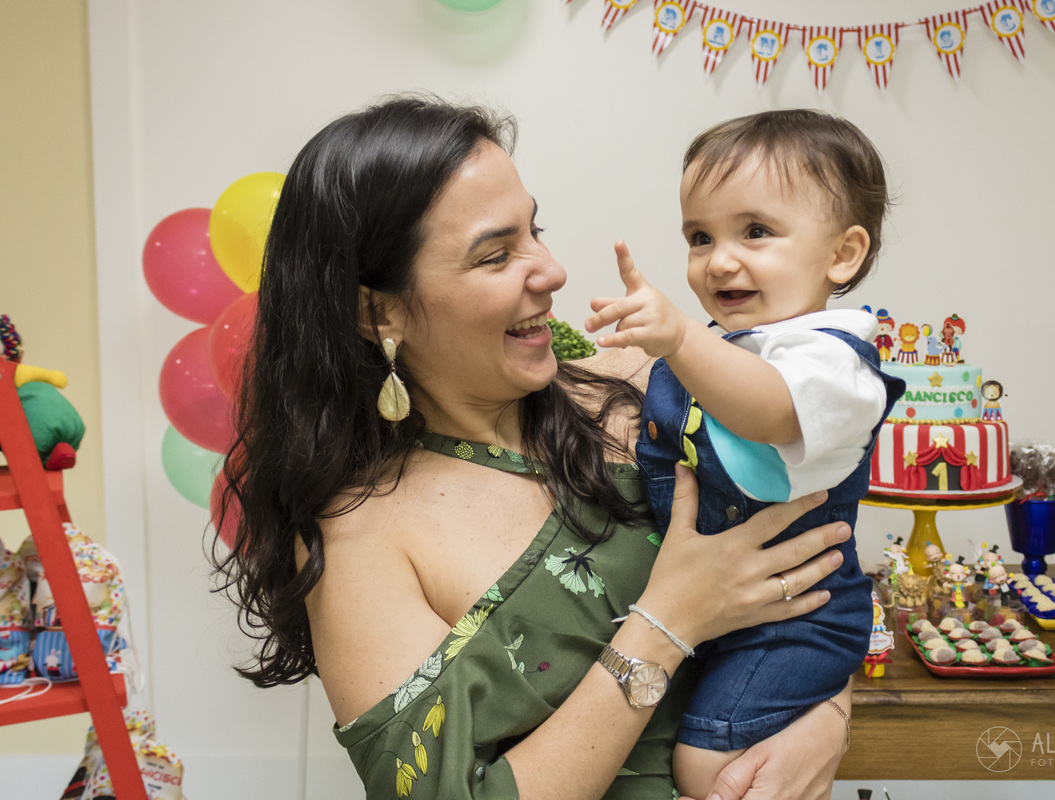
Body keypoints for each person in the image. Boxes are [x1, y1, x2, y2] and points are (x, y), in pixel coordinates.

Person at [212, 95, 861, 800]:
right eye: (496, 254)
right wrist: (668, 623)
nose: (551, 270)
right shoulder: (357, 535)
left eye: (534, 231)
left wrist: (826, 712)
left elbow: (816, 548)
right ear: (381, 311)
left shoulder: (647, 392)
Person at [584, 109, 904, 798]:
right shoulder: (733, 344)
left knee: (706, 767)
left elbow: (765, 407)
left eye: (755, 231)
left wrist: (676, 340)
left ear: (843, 254)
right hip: (726, 612)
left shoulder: (834, 365)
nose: (720, 259)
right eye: (700, 237)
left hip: (798, 620)